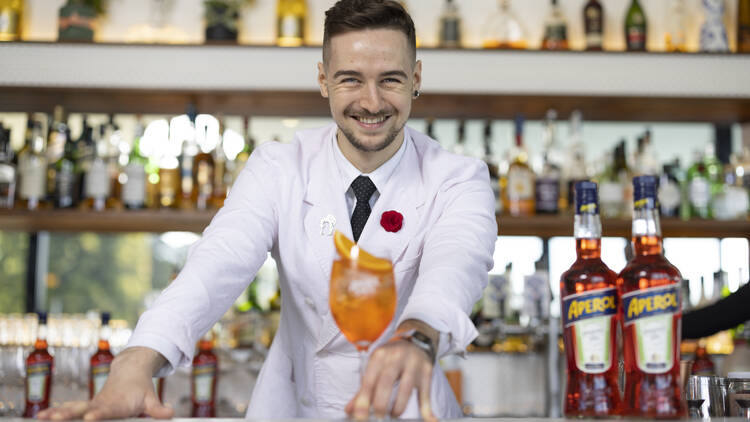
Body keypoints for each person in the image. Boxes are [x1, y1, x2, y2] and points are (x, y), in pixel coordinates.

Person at [38, 0, 496, 420]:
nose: (371, 102)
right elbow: (216, 264)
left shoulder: (457, 178)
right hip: (295, 408)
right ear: (323, 81)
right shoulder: (279, 167)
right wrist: (138, 359)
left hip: (413, 409)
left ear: (416, 78)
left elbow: (455, 265)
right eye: (350, 79)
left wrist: (417, 336)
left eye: (390, 80)